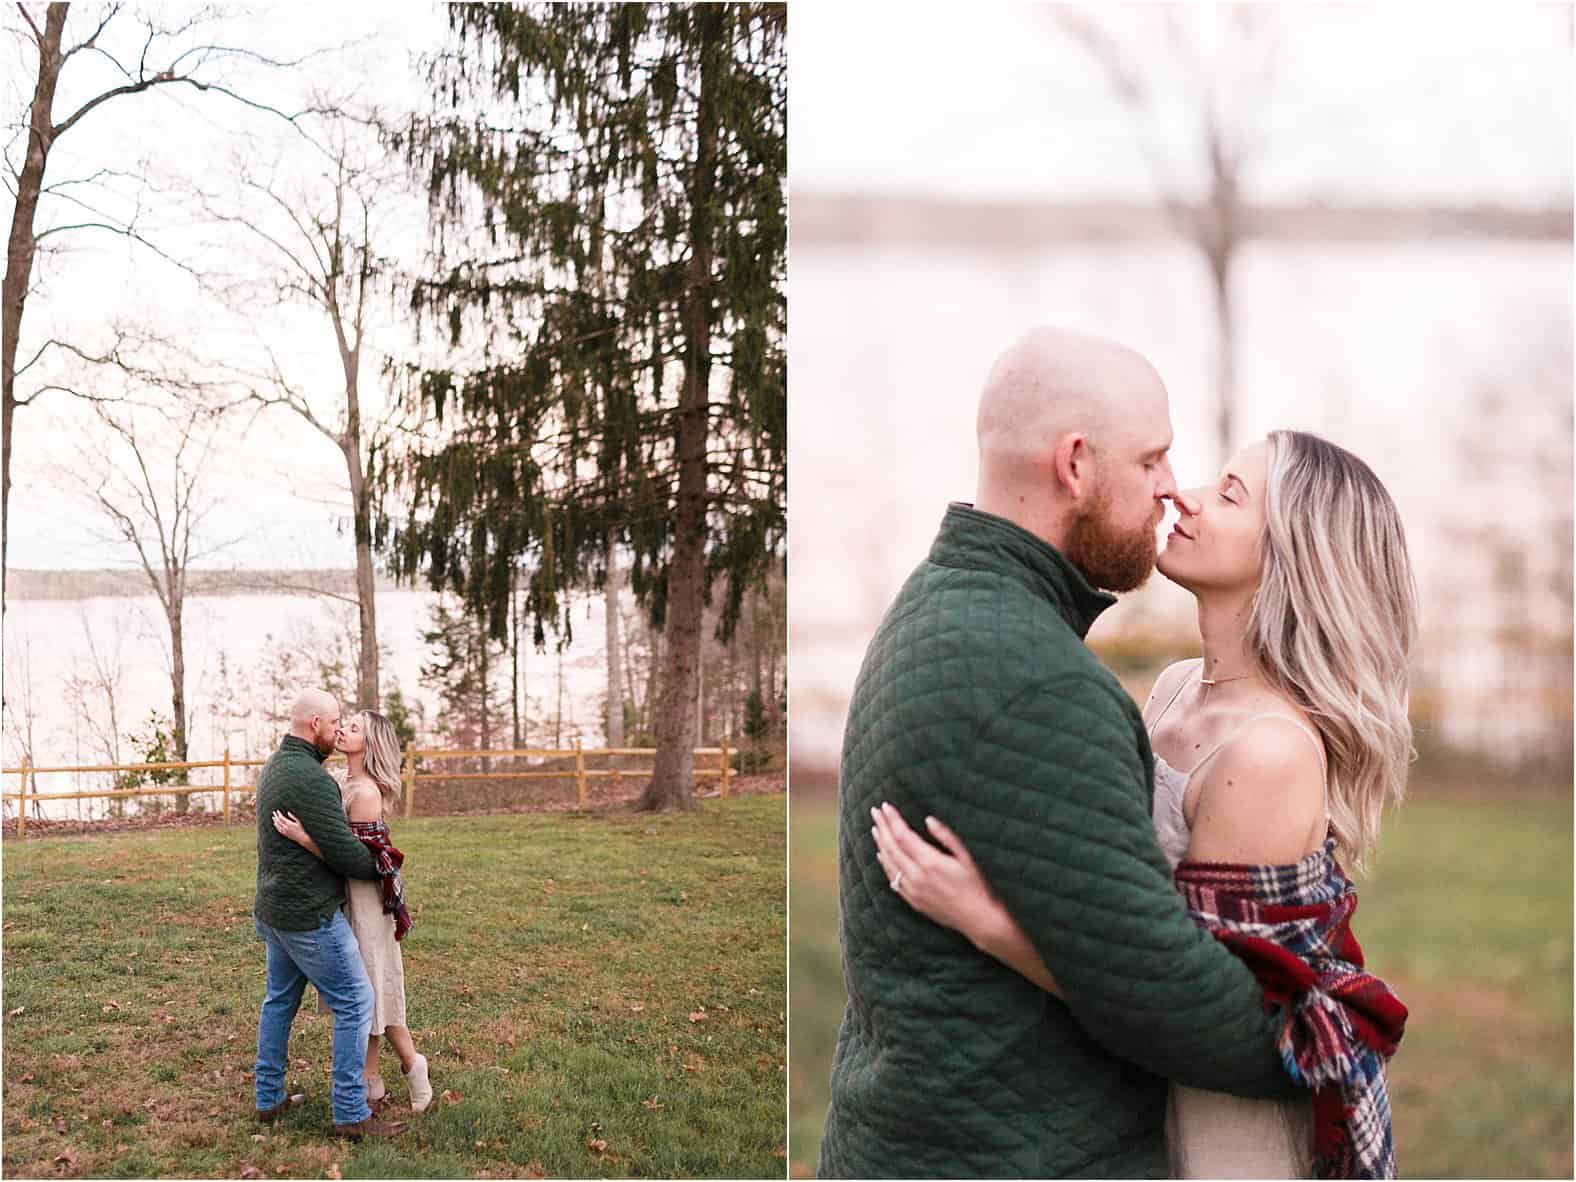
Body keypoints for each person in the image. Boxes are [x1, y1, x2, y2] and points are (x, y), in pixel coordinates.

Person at [818, 326, 1305, 1180]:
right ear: (1076, 465)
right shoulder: (1039, 682)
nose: (1170, 492)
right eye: (1152, 460)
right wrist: (1317, 1037)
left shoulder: (941, 604)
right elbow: (1189, 1012)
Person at [873, 430, 1414, 1178]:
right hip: (1143, 1088)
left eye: (1228, 494)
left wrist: (986, 921)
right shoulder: (1174, 688)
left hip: (1228, 1125)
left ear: (1294, 553)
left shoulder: (1269, 752)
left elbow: (1186, 998)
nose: (1180, 495)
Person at [252, 689, 407, 1140]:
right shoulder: (314, 779)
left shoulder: (276, 765)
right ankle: (350, 1113)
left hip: (273, 910)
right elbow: (353, 860)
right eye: (335, 721)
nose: (339, 729)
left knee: (279, 1001)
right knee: (357, 1001)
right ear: (315, 723)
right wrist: (383, 862)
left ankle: (268, 1100)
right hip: (308, 915)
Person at [273, 710, 433, 1113]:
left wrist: (304, 838)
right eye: (343, 723)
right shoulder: (343, 780)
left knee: (373, 993)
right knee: (367, 994)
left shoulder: (365, 794)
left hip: (365, 902)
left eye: (354, 727)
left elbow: (352, 858)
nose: (342, 729)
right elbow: (311, 799)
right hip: (343, 898)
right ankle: (373, 1082)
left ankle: (411, 1068)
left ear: (371, 742)